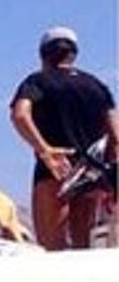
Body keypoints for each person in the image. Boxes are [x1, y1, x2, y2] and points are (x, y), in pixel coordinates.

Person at [10, 26, 119, 250]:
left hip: (55, 169)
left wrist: (44, 149)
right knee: (84, 250)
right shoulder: (97, 86)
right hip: (92, 172)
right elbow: (116, 136)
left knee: (52, 251)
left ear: (43, 55)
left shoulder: (38, 81)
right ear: (73, 54)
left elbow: (20, 115)